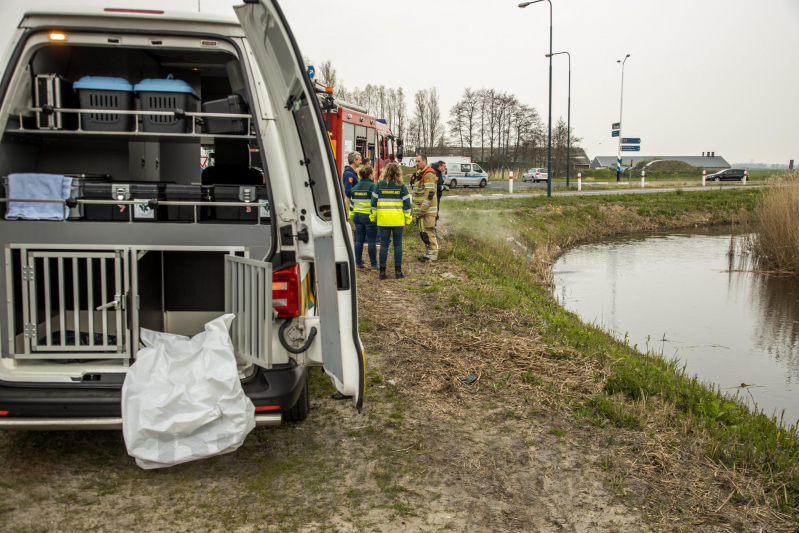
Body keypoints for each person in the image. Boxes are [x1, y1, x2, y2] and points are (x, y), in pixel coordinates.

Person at [370, 162, 412, 280]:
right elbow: (407, 205)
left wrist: (373, 216)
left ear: (385, 172)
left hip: (383, 220)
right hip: (398, 220)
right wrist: (407, 218)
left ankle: (382, 273)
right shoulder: (401, 187)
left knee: (384, 245)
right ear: (398, 172)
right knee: (397, 245)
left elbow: (373, 203)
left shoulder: (379, 185)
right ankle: (398, 272)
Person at [349, 164, 378, 270]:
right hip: (369, 216)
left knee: (359, 241)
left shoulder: (355, 187)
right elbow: (375, 203)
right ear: (370, 175)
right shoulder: (373, 187)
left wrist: (351, 215)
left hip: (357, 216)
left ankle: (358, 262)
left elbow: (352, 204)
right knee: (371, 241)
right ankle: (373, 265)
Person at [411, 154, 439, 262]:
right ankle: (428, 253)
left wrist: (423, 208)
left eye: (419, 161)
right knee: (424, 233)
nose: (417, 163)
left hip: (427, 210)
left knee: (429, 231)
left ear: (425, 161)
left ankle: (433, 255)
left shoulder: (428, 174)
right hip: (422, 210)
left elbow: (429, 193)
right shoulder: (421, 173)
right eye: (416, 161)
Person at [342, 152, 361, 233]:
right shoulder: (349, 174)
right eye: (359, 159)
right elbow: (348, 191)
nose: (361, 161)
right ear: (354, 160)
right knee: (351, 226)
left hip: (353, 202)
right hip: (350, 202)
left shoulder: (352, 173)